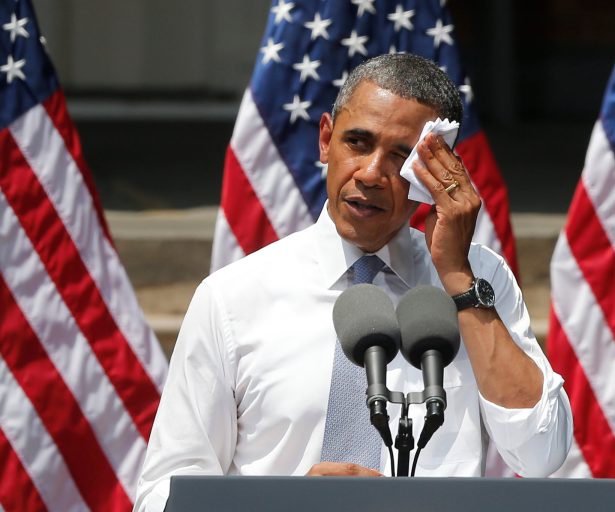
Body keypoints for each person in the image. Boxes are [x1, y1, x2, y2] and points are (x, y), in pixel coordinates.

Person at [134, 53, 573, 511]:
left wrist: (459, 279)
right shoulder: (232, 297)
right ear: (326, 139)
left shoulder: (479, 279)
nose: (371, 173)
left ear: (436, 173)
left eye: (401, 155)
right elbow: (163, 494)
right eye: (358, 142)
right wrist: (281, 506)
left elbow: (541, 453)